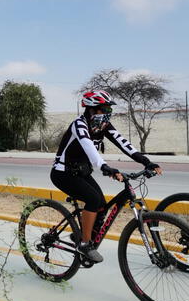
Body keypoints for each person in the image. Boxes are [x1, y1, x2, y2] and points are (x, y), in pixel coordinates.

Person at [51, 90, 162, 263]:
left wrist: (146, 162)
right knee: (93, 200)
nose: (107, 113)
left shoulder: (104, 126)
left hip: (81, 171)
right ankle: (85, 244)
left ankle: (81, 235)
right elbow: (88, 147)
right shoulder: (79, 125)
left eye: (109, 110)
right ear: (92, 109)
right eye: (104, 109)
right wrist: (104, 167)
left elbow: (124, 143)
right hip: (62, 172)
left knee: (101, 204)